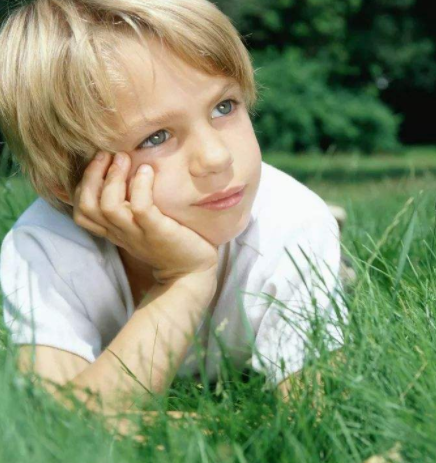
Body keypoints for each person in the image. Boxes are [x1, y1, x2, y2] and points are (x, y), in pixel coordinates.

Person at [0, 0, 348, 419]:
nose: (216, 157)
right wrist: (186, 278)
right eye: (156, 136)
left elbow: (319, 419)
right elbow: (58, 428)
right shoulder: (42, 247)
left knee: (317, 235)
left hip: (282, 235)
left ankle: (338, 255)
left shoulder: (292, 224)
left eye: (224, 107)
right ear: (66, 184)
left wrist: (140, 424)